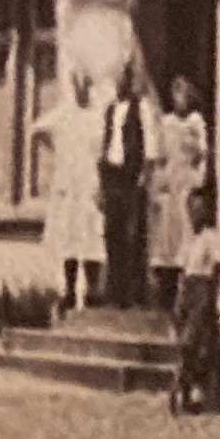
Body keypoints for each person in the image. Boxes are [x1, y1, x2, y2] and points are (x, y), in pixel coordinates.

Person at [149, 72, 210, 312]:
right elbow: (160, 156)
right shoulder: (167, 123)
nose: (179, 101)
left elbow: (202, 155)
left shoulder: (196, 122)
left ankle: (184, 293)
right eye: (175, 96)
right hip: (170, 183)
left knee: (186, 233)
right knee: (167, 236)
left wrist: (199, 180)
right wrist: (158, 183)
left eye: (182, 95)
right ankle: (165, 292)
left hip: (187, 182)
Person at [43, 70, 102, 311]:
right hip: (70, 183)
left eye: (85, 85)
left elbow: (104, 147)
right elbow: (39, 130)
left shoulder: (98, 115)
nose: (81, 90)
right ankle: (69, 290)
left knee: (92, 235)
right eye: (78, 85)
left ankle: (92, 291)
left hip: (91, 181)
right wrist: (58, 154)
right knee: (70, 236)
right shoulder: (65, 114)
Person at [96, 67, 151, 309]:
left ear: (129, 81)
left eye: (123, 80)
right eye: (116, 80)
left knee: (132, 234)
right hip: (112, 174)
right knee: (112, 233)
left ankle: (133, 292)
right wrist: (101, 182)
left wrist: (143, 176)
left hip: (131, 175)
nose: (119, 84)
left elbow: (149, 144)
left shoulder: (140, 108)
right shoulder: (110, 110)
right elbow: (105, 142)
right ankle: (114, 291)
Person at [167, 190, 220, 417]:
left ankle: (187, 390)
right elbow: (183, 271)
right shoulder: (190, 239)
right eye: (191, 209)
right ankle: (186, 393)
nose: (194, 214)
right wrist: (179, 299)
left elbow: (217, 268)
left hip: (203, 289)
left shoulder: (211, 237)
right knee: (185, 342)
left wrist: (211, 297)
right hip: (188, 290)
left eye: (199, 209)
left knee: (193, 343)